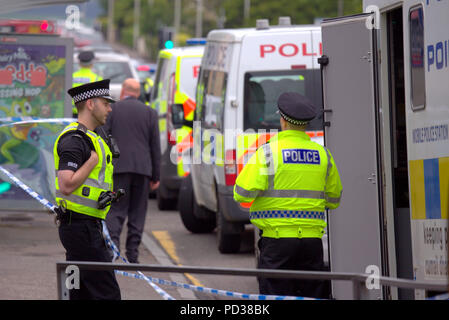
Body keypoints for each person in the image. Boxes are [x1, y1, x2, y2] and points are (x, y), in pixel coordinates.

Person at [233, 92, 342, 299]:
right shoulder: (323, 155)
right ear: (306, 124)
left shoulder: (267, 153)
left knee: (276, 295)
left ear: (282, 120)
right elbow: (334, 199)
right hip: (312, 243)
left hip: (277, 242)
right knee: (312, 295)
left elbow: (242, 193)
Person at [55, 79, 121, 300]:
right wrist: (91, 162)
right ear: (91, 104)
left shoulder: (92, 136)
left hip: (83, 227)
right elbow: (66, 184)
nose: (110, 108)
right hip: (81, 230)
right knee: (107, 293)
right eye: (106, 103)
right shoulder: (75, 139)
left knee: (78, 292)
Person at [103, 78, 161, 263]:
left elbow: (104, 138)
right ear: (138, 93)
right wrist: (156, 175)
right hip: (142, 170)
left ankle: (113, 250)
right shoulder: (150, 113)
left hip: (118, 169)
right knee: (137, 212)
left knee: (116, 210)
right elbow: (155, 146)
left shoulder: (113, 110)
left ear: (123, 92)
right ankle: (133, 255)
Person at [72, 51, 103, 117]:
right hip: (89, 115)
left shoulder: (71, 77)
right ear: (92, 63)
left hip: (71, 114)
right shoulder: (97, 79)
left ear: (79, 63)